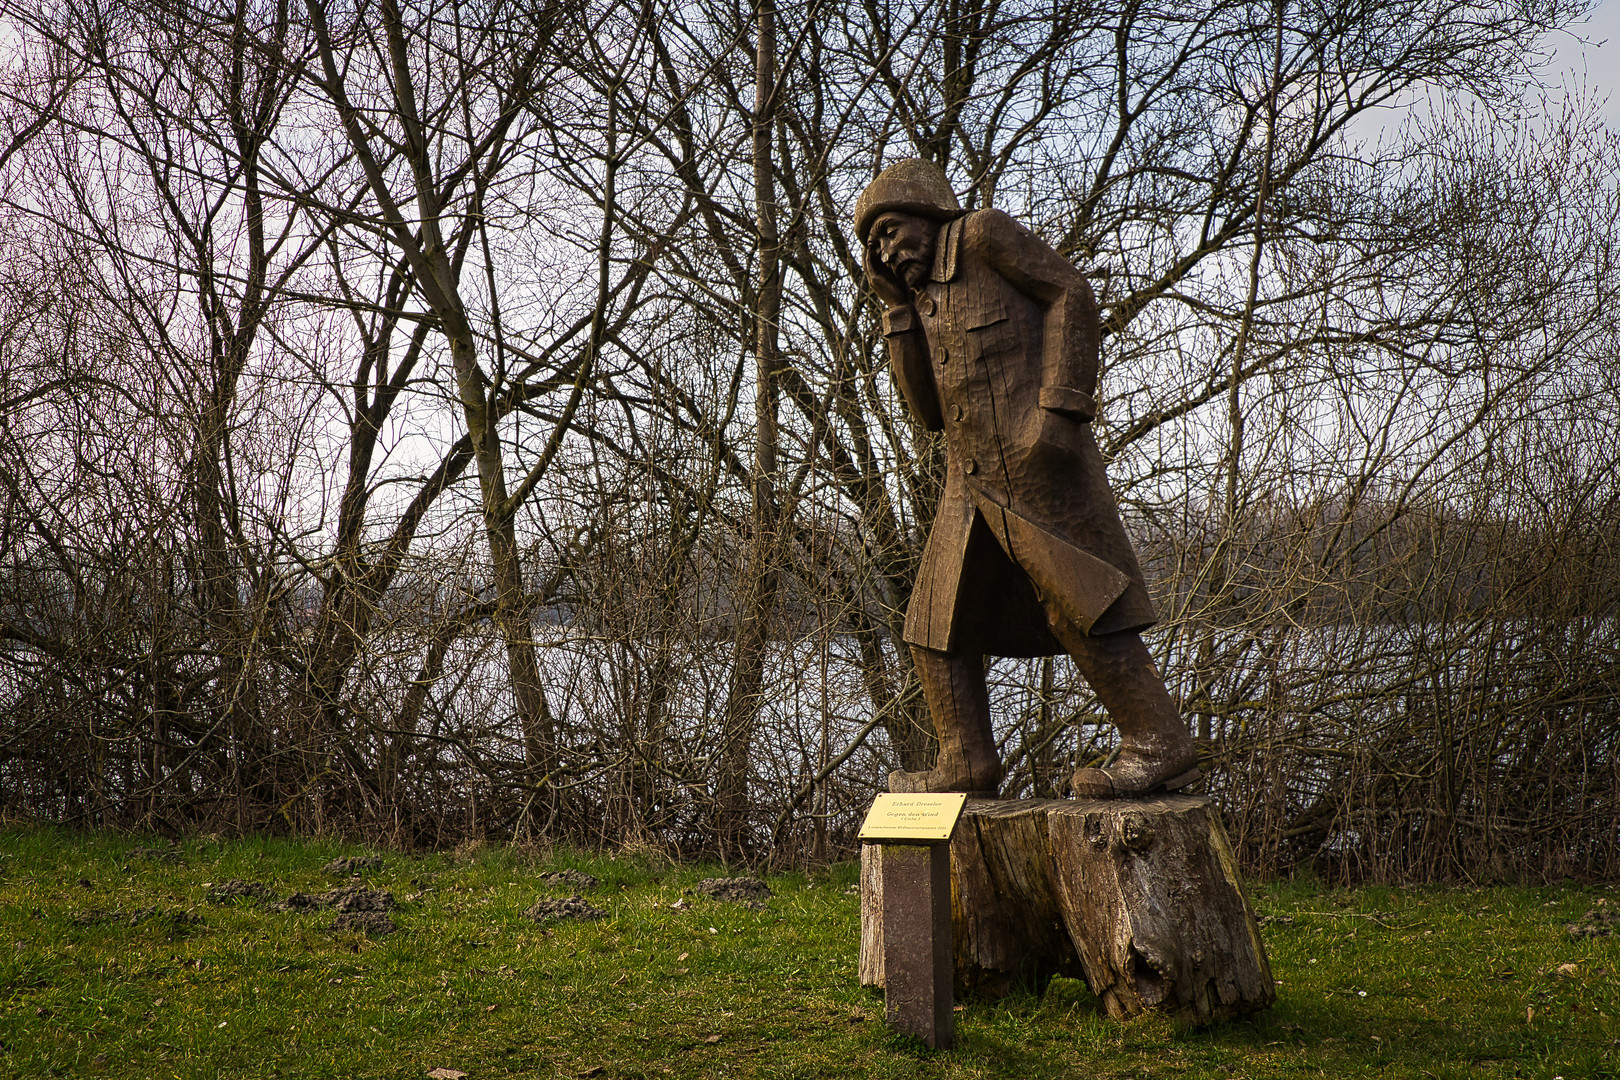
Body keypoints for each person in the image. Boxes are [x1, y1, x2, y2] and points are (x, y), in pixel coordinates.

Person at [855, 158, 1199, 799]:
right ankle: (966, 763)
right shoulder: (921, 303)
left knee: (1081, 604)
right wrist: (897, 313)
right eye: (872, 244)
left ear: (927, 214)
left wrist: (1062, 407)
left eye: (889, 230)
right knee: (933, 624)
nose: (883, 250)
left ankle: (1160, 742)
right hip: (973, 484)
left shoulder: (983, 236)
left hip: (1038, 467)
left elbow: (1071, 291)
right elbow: (926, 414)